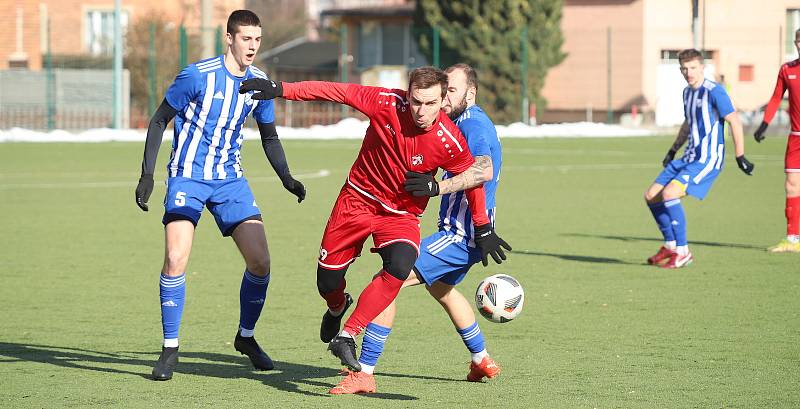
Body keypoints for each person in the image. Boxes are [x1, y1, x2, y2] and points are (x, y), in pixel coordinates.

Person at [238, 66, 511, 373]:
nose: (423, 111)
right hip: (356, 202)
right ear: (407, 96)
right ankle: (337, 306)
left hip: (401, 214)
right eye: (417, 102)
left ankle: (350, 340)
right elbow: (335, 91)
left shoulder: (451, 137)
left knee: (400, 266)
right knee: (327, 281)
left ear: (441, 100)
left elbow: (473, 177)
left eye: (432, 103)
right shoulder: (385, 102)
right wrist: (282, 88)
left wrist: (483, 225)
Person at [134, 10, 306, 381]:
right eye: (246, 39)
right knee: (176, 258)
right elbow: (159, 119)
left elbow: (270, 136)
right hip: (188, 177)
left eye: (257, 40)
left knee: (260, 262)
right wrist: (147, 174)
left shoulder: (260, 82)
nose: (252, 47)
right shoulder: (198, 75)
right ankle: (170, 348)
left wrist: (286, 177)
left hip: (230, 181)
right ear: (229, 38)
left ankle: (245, 337)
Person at [328, 63, 505, 395]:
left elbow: (482, 170)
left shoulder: (475, 125)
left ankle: (364, 371)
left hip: (460, 233)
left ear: (471, 93)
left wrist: (442, 191)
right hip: (463, 230)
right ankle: (482, 359)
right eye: (444, 90)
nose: (445, 97)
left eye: (452, 91)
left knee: (388, 281)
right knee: (442, 290)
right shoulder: (454, 120)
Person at [645, 48, 754, 268]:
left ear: (702, 67)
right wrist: (673, 149)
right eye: (684, 68)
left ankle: (683, 252)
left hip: (707, 160)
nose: (689, 72)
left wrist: (740, 155)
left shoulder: (715, 91)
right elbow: (688, 124)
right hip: (688, 157)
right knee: (651, 196)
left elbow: (735, 121)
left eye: (693, 68)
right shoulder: (687, 92)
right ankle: (671, 245)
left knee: (670, 193)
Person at [753, 28, 800, 253]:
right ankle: (792, 239)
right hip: (796, 139)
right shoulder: (787, 69)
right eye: (799, 42)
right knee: (791, 185)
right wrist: (764, 124)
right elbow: (775, 98)